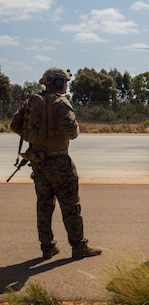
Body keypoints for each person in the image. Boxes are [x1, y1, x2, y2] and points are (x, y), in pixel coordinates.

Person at [9, 67, 102, 259]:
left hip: (37, 160)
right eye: (64, 82)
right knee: (70, 205)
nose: (66, 85)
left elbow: (14, 125)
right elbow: (72, 132)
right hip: (59, 161)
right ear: (57, 83)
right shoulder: (61, 103)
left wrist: (36, 138)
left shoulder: (31, 102)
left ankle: (47, 247)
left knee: (44, 204)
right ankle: (78, 246)